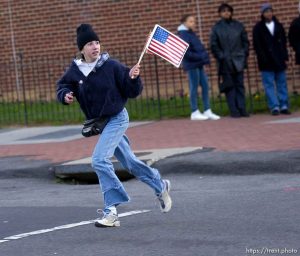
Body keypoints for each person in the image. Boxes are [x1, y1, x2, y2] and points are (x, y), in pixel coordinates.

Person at [57, 24, 172, 228]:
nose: (95, 46)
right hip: (102, 123)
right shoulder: (75, 70)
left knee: (99, 160)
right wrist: (65, 95)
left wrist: (132, 78)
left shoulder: (112, 66)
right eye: (90, 43)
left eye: (97, 42)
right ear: (82, 48)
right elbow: (64, 85)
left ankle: (111, 210)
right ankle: (159, 185)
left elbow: (131, 91)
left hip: (118, 118)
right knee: (130, 163)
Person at [178, 15, 220, 121]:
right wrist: (200, 57)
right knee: (194, 88)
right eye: (191, 21)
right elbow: (186, 52)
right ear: (184, 23)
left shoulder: (191, 33)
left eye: (194, 21)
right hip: (192, 65)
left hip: (199, 64)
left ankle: (207, 110)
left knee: (205, 86)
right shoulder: (183, 34)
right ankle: (194, 111)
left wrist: (204, 58)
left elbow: (198, 48)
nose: (194, 23)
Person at [210, 3, 249, 118]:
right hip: (225, 61)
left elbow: (245, 42)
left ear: (231, 12)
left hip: (238, 59)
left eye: (228, 10)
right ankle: (234, 109)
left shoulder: (238, 26)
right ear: (220, 13)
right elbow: (213, 44)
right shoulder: (216, 28)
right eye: (223, 11)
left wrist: (243, 54)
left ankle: (242, 108)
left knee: (240, 85)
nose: (226, 13)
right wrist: (221, 56)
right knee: (230, 86)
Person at [253, 4, 291, 115]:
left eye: (270, 11)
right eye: (266, 12)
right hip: (266, 60)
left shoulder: (279, 26)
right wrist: (262, 57)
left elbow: (284, 42)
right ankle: (274, 106)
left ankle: (284, 104)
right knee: (269, 84)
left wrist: (284, 55)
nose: (268, 13)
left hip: (279, 59)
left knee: (282, 83)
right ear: (262, 14)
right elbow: (257, 45)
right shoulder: (258, 28)